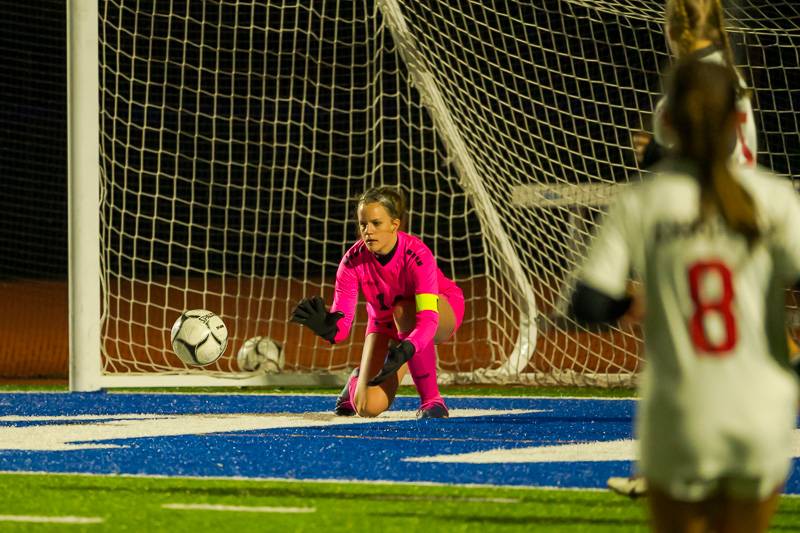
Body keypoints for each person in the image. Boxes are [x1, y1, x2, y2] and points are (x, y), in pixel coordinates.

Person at [571, 57, 800, 532]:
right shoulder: (774, 198)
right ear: (739, 123)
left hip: (680, 412)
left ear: (667, 122)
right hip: (759, 410)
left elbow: (587, 304)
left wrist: (627, 305)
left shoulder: (642, 202)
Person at [613, 0, 758, 499]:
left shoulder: (693, 83)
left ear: (675, 29)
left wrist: (651, 152)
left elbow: (690, 154)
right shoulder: (731, 78)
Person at [290, 186, 464, 419]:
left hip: (438, 313)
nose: (368, 231)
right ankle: (355, 381)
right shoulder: (351, 262)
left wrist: (407, 348)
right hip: (385, 324)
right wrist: (329, 327)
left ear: (394, 224)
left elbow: (428, 321)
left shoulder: (417, 254)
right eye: (363, 224)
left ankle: (432, 401)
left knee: (404, 311)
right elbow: (343, 326)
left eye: (376, 223)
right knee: (367, 407)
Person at [634, 0, 756, 171]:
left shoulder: (693, 83)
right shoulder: (727, 74)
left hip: (709, 192)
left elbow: (706, 153)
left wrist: (654, 153)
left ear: (671, 31)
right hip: (743, 186)